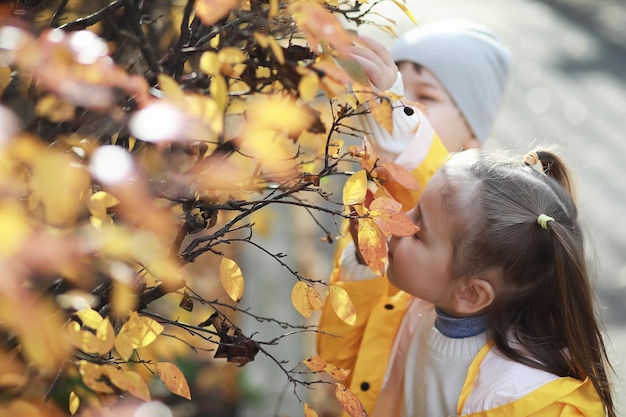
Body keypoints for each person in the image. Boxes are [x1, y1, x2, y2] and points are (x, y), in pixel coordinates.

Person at [320, 147, 616, 416]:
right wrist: (363, 262)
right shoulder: (414, 308)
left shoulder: (514, 402)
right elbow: (342, 361)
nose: (397, 219)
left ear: (472, 294)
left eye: (418, 232)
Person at [314, 20, 513, 416]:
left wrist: (399, 123)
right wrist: (360, 269)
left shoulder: (481, 242)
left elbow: (432, 182)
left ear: (472, 137)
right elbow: (338, 358)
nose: (409, 111)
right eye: (403, 94)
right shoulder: (373, 214)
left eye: (423, 97)